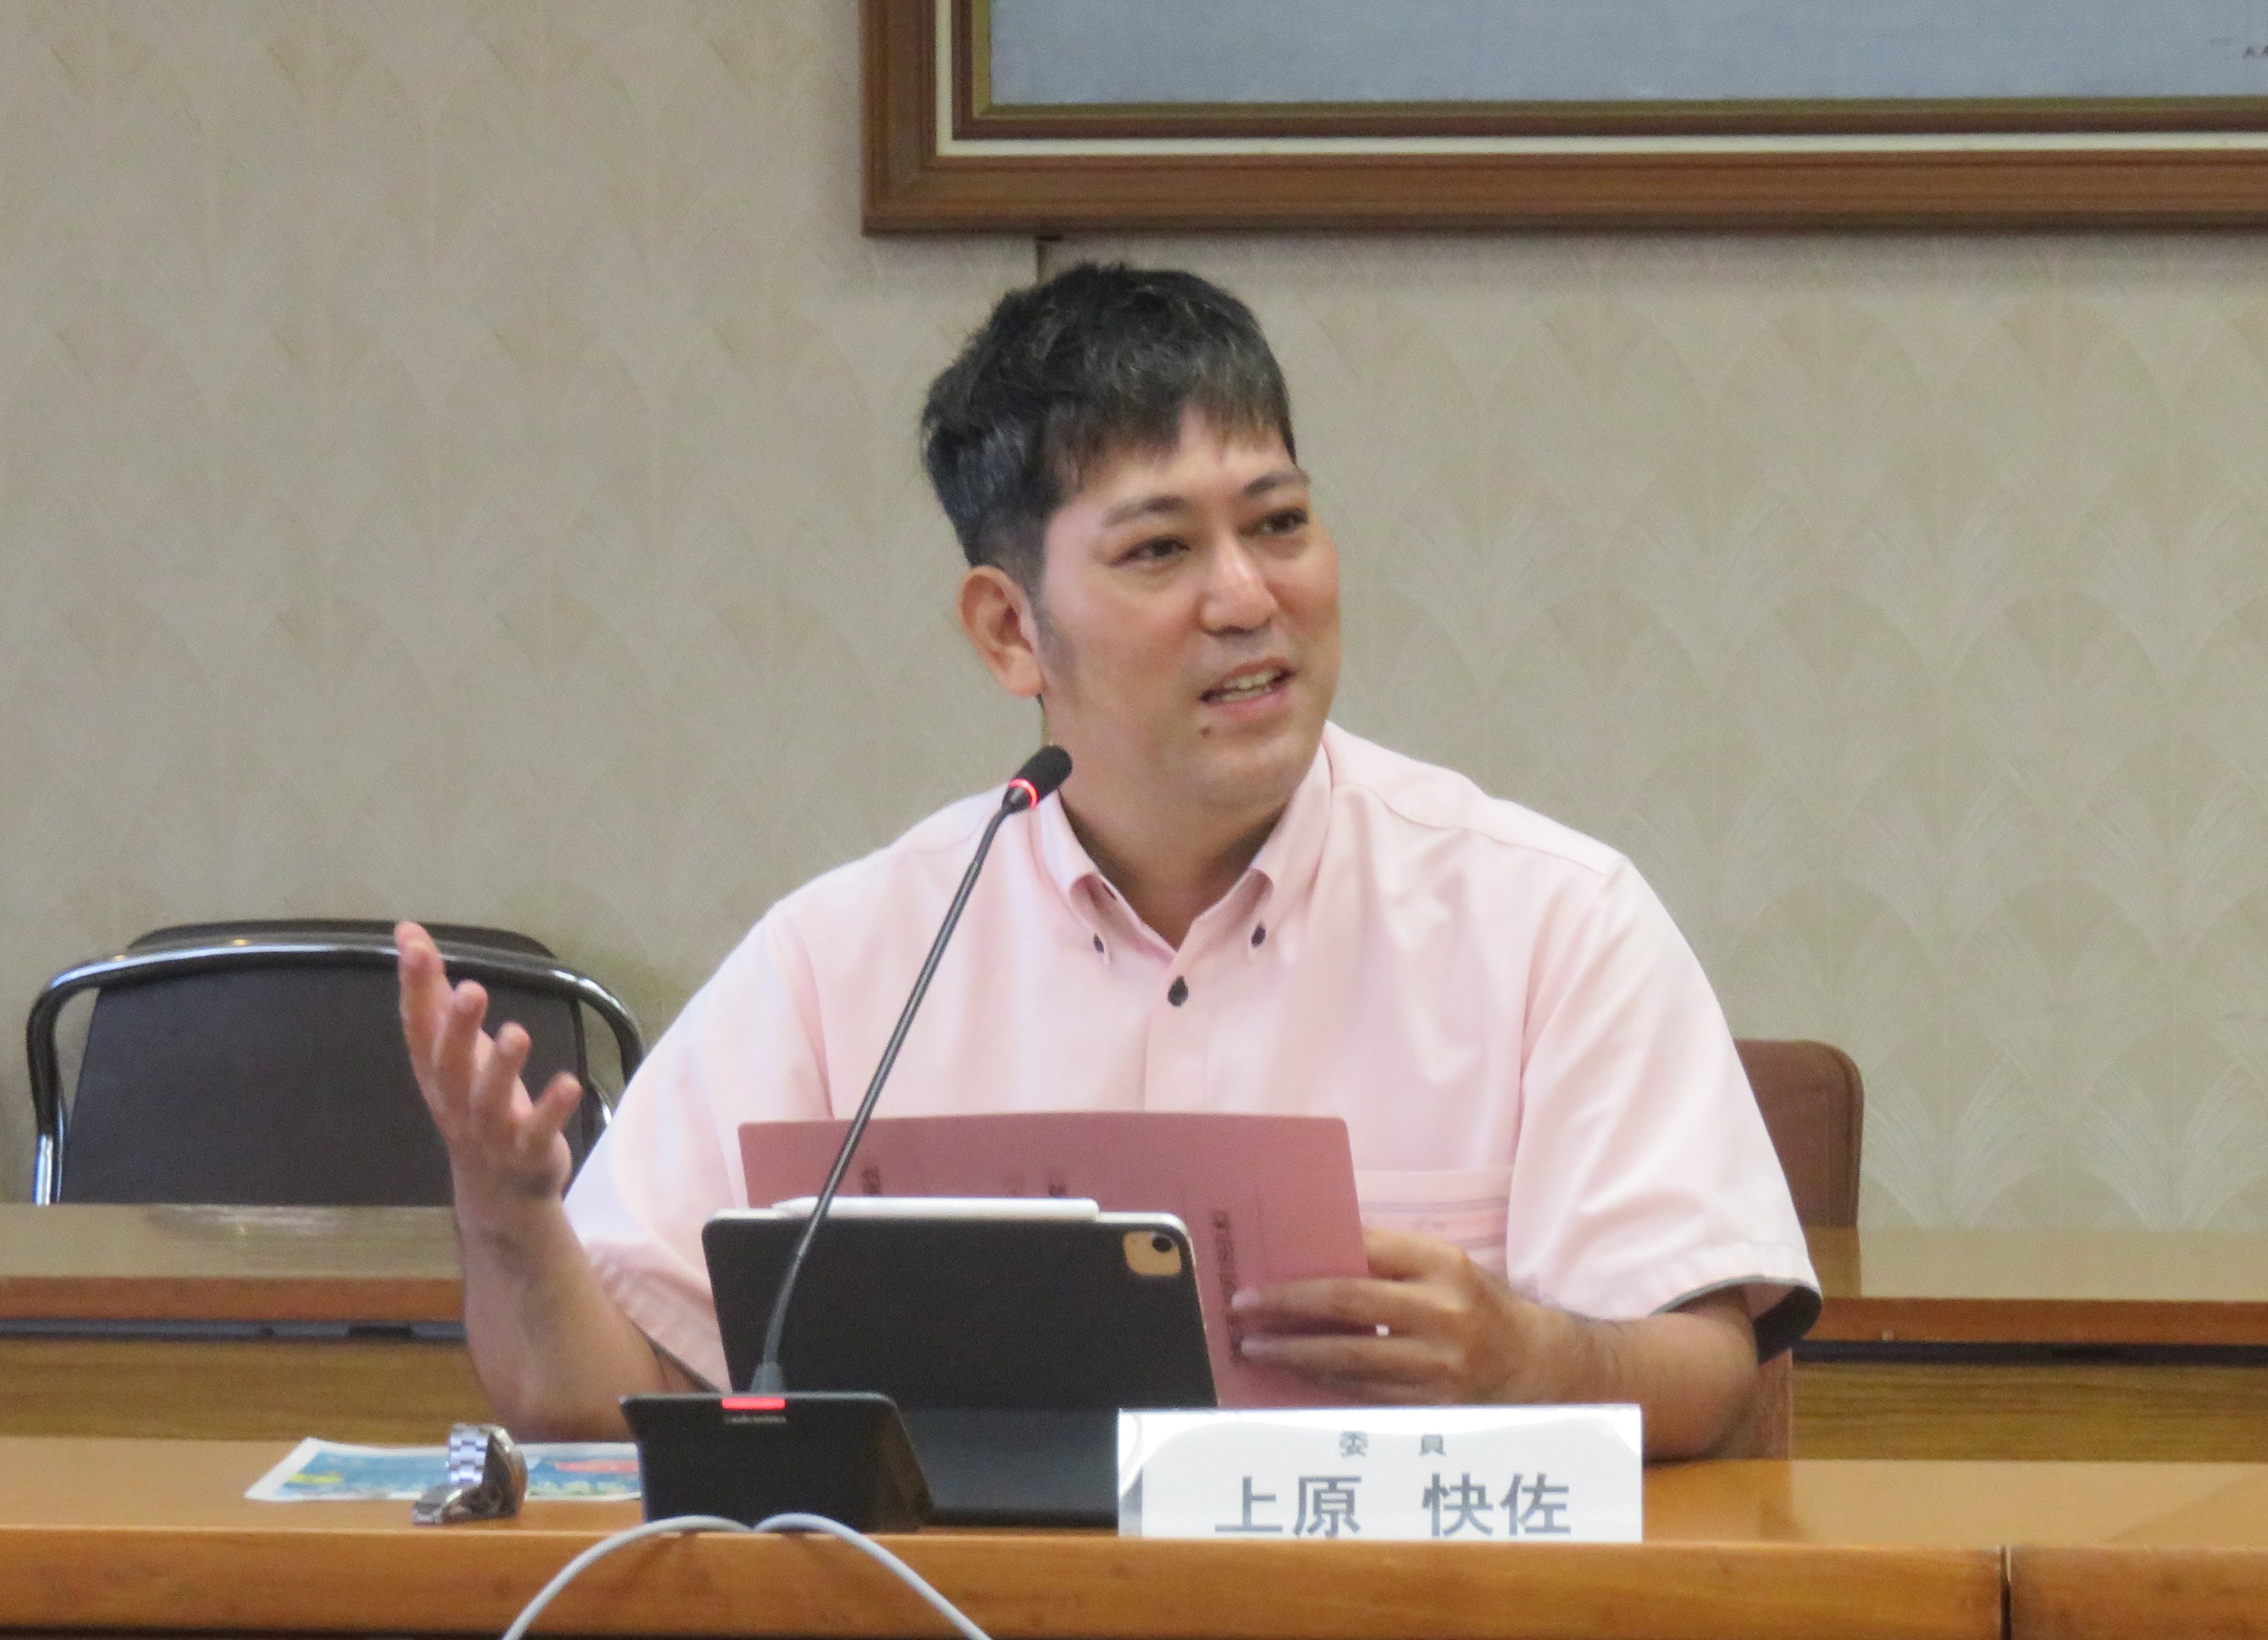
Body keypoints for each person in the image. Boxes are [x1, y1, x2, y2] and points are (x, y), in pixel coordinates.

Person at [396, 264, 1816, 1456]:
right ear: (1010, 631)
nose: (1246, 597)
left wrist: (1532, 1361)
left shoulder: (1548, 916)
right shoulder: (852, 958)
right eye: (1158, 551)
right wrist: (509, 1215)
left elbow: (1713, 1368)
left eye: (1278, 524)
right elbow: (594, 1402)